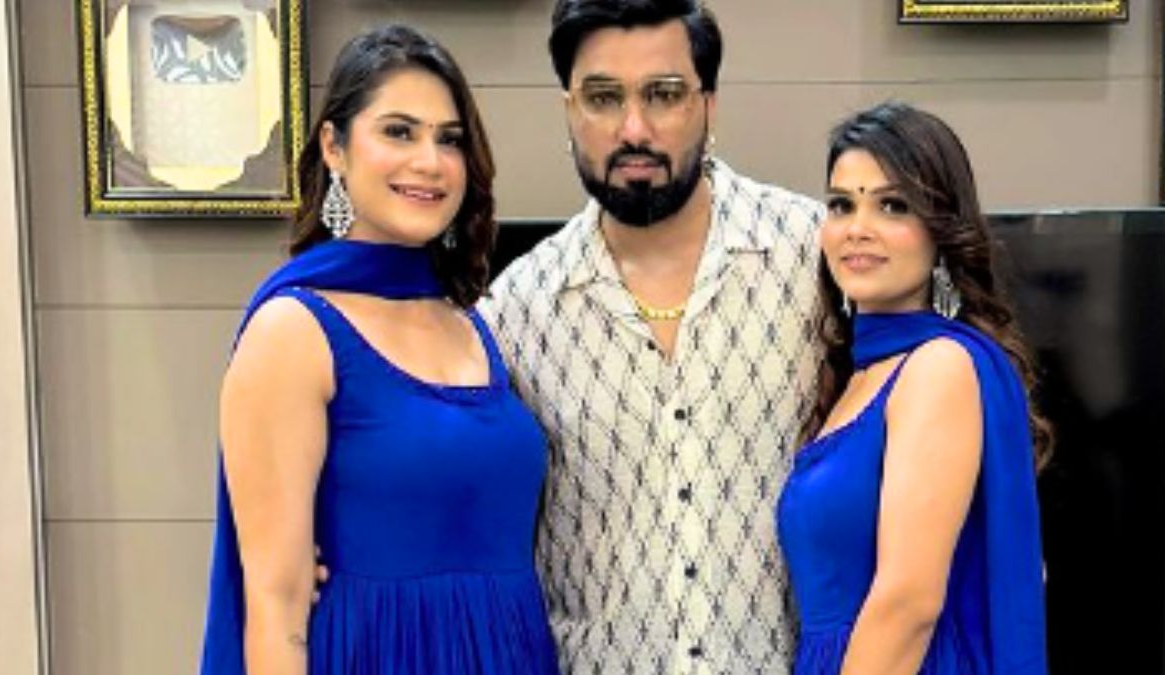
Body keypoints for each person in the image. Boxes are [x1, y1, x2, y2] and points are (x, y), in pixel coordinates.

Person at [199, 24, 559, 675]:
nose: (430, 161)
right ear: (333, 147)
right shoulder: (294, 330)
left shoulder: (474, 323)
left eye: (449, 139)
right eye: (399, 131)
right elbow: (275, 606)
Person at [482, 1, 824, 672]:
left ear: (709, 104)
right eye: (603, 98)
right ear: (568, 110)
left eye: (663, 95)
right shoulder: (517, 310)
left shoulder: (812, 258)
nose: (633, 129)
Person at [777, 102, 1050, 674]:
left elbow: (908, 605)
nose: (858, 228)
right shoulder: (859, 375)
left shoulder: (937, 369)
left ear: (940, 231)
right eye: (841, 204)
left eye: (892, 205)